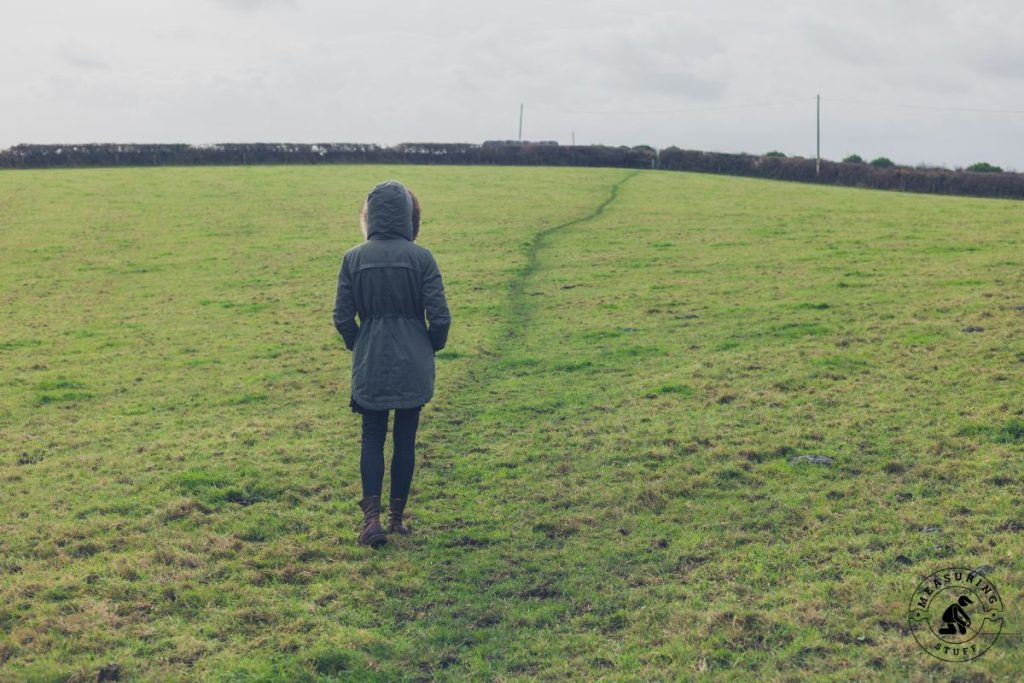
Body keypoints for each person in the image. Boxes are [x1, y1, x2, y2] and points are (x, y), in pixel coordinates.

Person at [333, 180, 451, 548]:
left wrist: (360, 343)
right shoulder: (423, 257)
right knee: (405, 440)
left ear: (369, 216)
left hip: (371, 361)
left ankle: (371, 521)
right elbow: (441, 317)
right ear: (410, 217)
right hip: (413, 362)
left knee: (371, 436)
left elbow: (341, 317)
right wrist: (428, 346)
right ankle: (397, 519)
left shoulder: (353, 258)